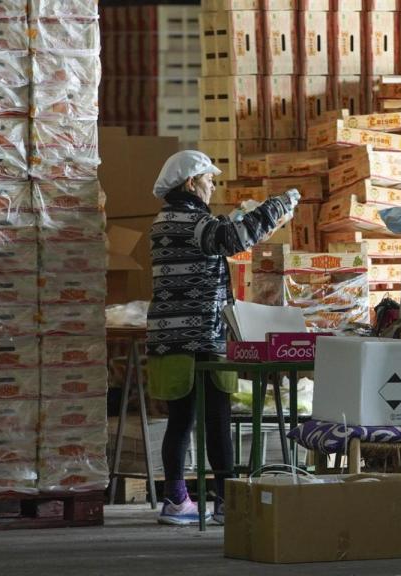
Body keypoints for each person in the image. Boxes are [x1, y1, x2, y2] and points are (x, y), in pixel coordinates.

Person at [145, 150, 299, 526]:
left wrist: (243, 219)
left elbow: (221, 235)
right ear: (190, 183)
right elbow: (231, 239)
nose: (213, 186)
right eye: (209, 180)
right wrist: (277, 206)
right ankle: (226, 501)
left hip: (169, 338)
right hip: (201, 336)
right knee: (217, 418)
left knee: (181, 420)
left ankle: (177, 499)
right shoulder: (193, 221)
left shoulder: (165, 221)